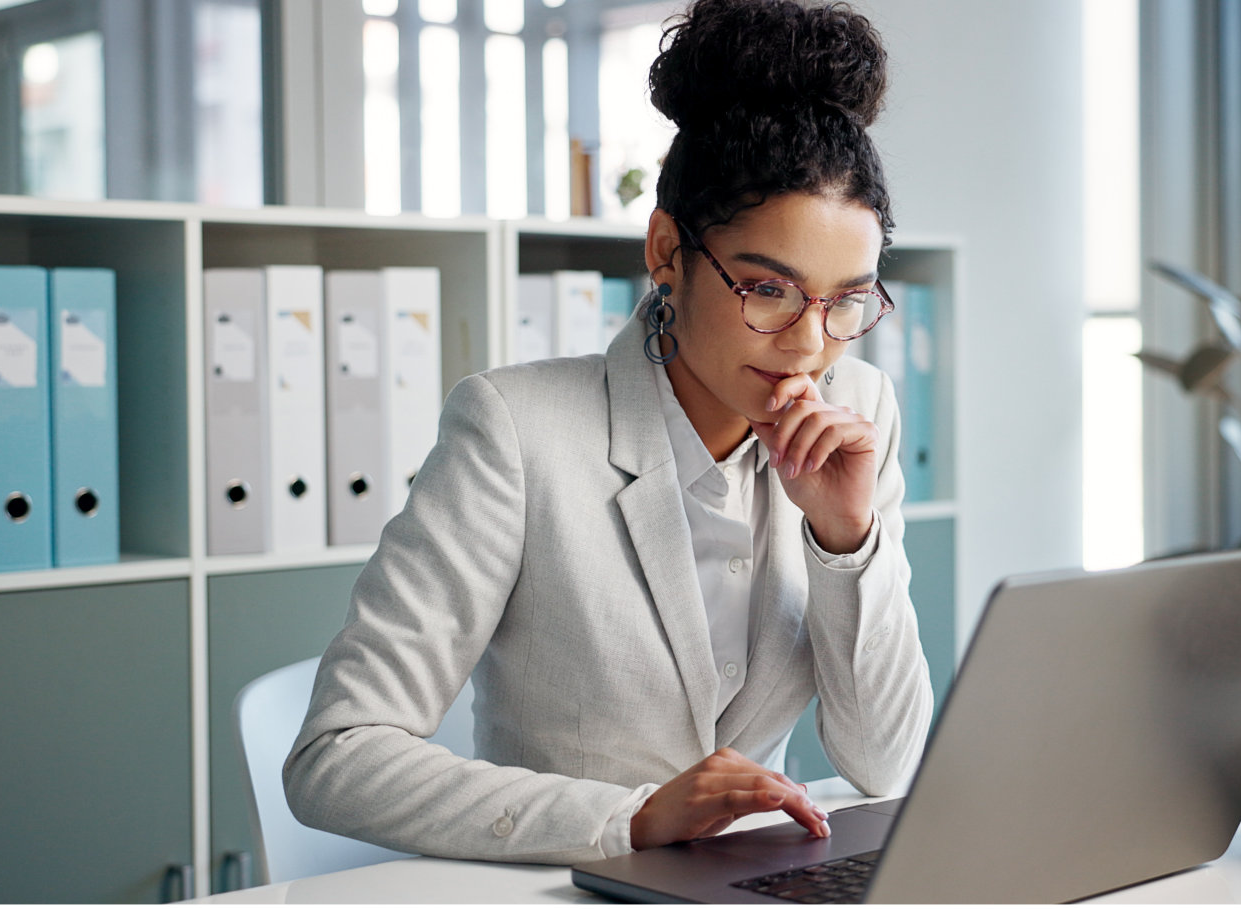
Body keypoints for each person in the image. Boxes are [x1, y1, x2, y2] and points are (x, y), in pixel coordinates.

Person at [282, 0, 931, 865]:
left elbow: (883, 759)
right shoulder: (516, 432)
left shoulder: (860, 407)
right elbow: (337, 755)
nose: (812, 345)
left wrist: (845, 538)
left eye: (848, 299)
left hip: (756, 881)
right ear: (667, 250)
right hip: (570, 883)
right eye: (768, 290)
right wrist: (628, 817)